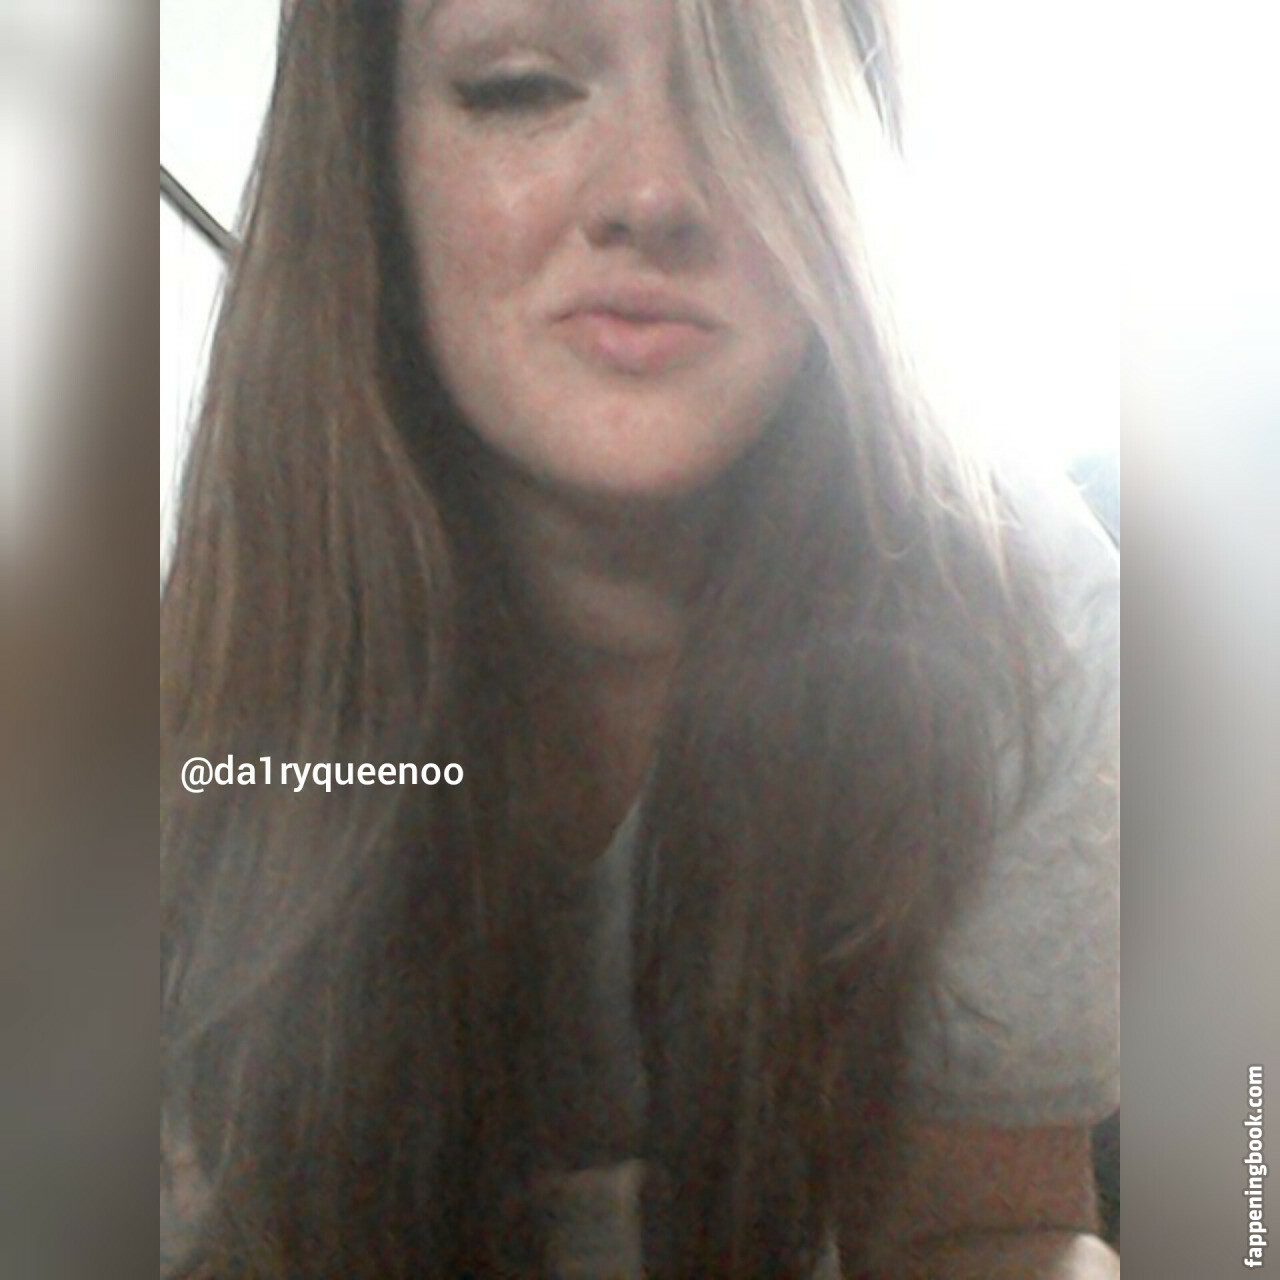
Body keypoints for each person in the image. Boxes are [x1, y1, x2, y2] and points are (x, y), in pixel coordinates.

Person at [161, 0, 1120, 1276]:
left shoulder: (1025, 616)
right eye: (519, 85)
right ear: (368, 166)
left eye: (755, 96)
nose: (655, 193)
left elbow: (984, 1218)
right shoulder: (175, 689)